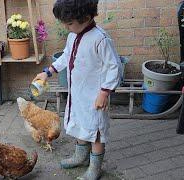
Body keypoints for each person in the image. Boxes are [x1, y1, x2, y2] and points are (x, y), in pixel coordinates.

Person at [33, 0, 122, 179]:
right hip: (78, 94)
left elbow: (115, 67)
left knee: (96, 132)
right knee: (81, 125)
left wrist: (104, 92)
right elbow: (66, 56)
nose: (66, 27)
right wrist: (48, 72)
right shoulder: (73, 35)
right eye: (64, 23)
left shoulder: (100, 39)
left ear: (87, 18)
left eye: (70, 23)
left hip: (95, 97)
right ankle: (81, 156)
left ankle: (95, 168)